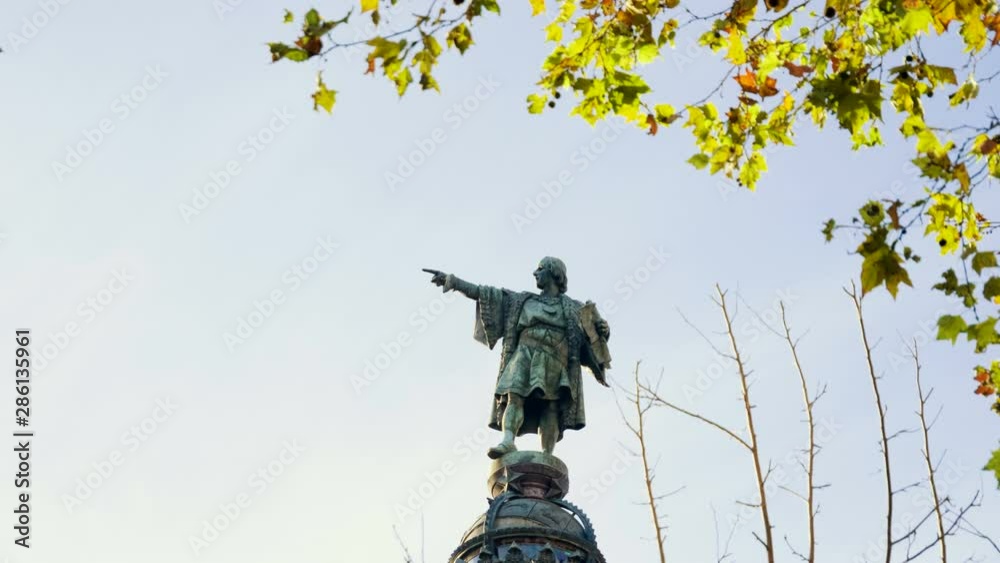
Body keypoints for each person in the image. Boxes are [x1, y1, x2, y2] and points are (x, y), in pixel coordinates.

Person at [424, 257, 611, 459]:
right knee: (514, 396)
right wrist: (453, 281)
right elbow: (485, 293)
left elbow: (594, 339)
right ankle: (507, 441)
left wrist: (604, 329)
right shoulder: (522, 300)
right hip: (524, 354)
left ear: (555, 273)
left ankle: (547, 455)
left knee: (551, 406)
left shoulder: (575, 308)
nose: (535, 273)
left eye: (540, 269)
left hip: (555, 360)